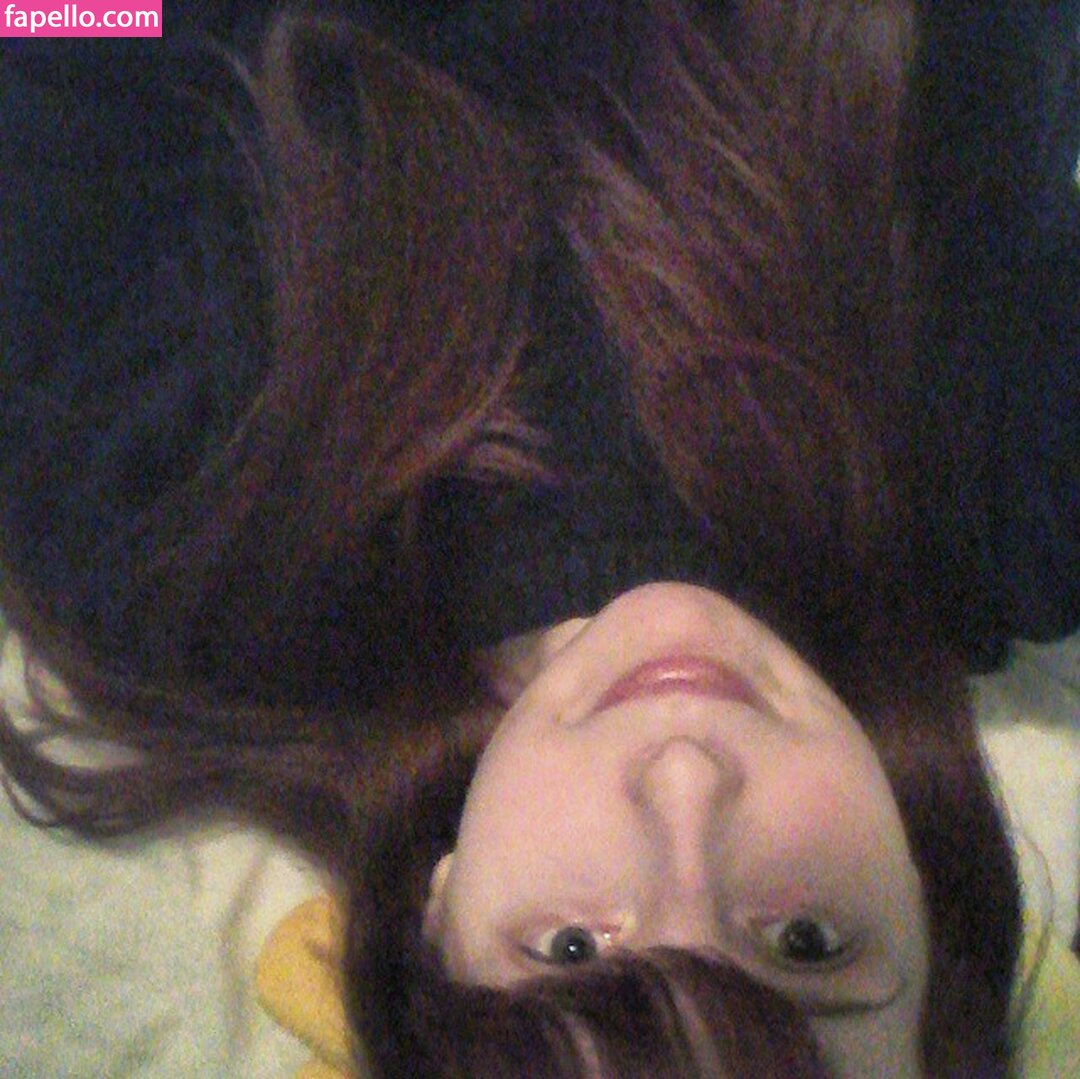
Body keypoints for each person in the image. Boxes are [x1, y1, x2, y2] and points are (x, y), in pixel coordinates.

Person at [1, 1, 1077, 1075]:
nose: (686, 776)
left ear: (430, 925)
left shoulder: (169, 547)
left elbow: (52, 30)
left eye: (573, 948)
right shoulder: (1011, 493)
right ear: (933, 918)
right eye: (807, 941)